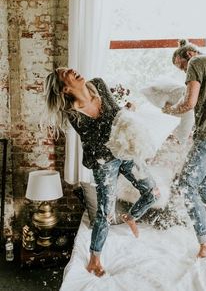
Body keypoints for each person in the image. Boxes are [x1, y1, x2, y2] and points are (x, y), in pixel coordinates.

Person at [45, 68, 159, 276]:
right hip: (102, 161)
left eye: (68, 67)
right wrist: (121, 121)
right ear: (65, 89)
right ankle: (94, 259)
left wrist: (127, 112)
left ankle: (130, 216)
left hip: (124, 150)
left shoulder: (99, 84)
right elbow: (99, 141)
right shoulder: (74, 115)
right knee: (104, 214)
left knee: (152, 193)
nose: (71, 69)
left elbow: (117, 116)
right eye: (65, 74)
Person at [162, 40, 206, 258]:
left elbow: (189, 103)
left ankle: (205, 244)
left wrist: (169, 110)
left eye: (182, 66)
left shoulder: (197, 61)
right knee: (203, 184)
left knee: (185, 184)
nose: (184, 72)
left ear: (190, 54)